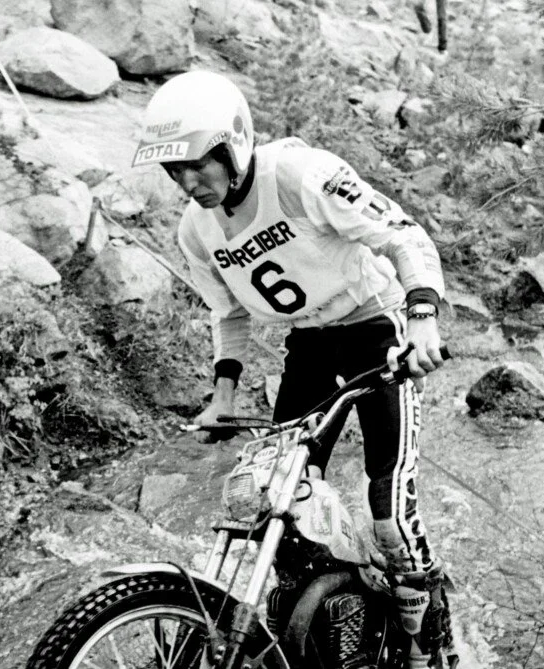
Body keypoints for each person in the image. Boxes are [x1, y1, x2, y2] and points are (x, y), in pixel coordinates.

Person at [132, 70, 454, 669]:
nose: (188, 183)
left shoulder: (301, 175)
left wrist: (422, 319)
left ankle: (429, 649)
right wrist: (223, 396)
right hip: (309, 344)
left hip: (378, 329)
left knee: (390, 514)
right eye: (175, 170)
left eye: (198, 164)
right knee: (272, 498)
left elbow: (403, 235)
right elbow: (227, 312)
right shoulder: (196, 229)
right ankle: (334, 622)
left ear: (232, 145)